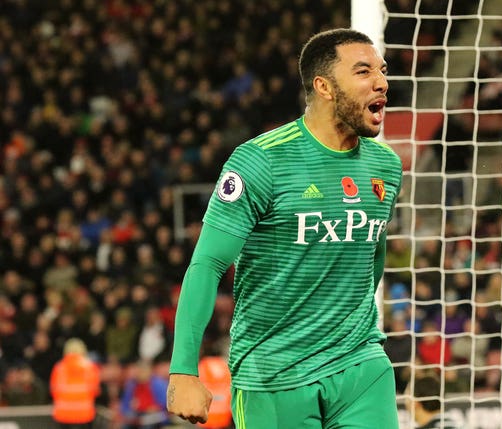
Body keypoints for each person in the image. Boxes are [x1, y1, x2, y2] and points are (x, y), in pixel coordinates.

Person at [166, 28, 403, 429]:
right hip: (274, 373)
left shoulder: (386, 166)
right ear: (324, 86)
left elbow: (371, 256)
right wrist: (183, 370)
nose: (381, 81)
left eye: (382, 70)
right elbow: (206, 265)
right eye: (363, 72)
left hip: (361, 363)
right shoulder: (262, 162)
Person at [50, 338, 101, 429]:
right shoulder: (90, 367)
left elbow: (53, 391)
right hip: (84, 414)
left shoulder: (59, 368)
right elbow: (95, 391)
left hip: (63, 413)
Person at [120, 360, 170, 429]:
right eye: (139, 371)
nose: (140, 374)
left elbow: (166, 403)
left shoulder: (158, 383)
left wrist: (155, 408)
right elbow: (124, 406)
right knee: (127, 422)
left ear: (149, 371)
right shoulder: (132, 384)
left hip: (156, 416)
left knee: (148, 424)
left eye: (143, 371)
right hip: (137, 415)